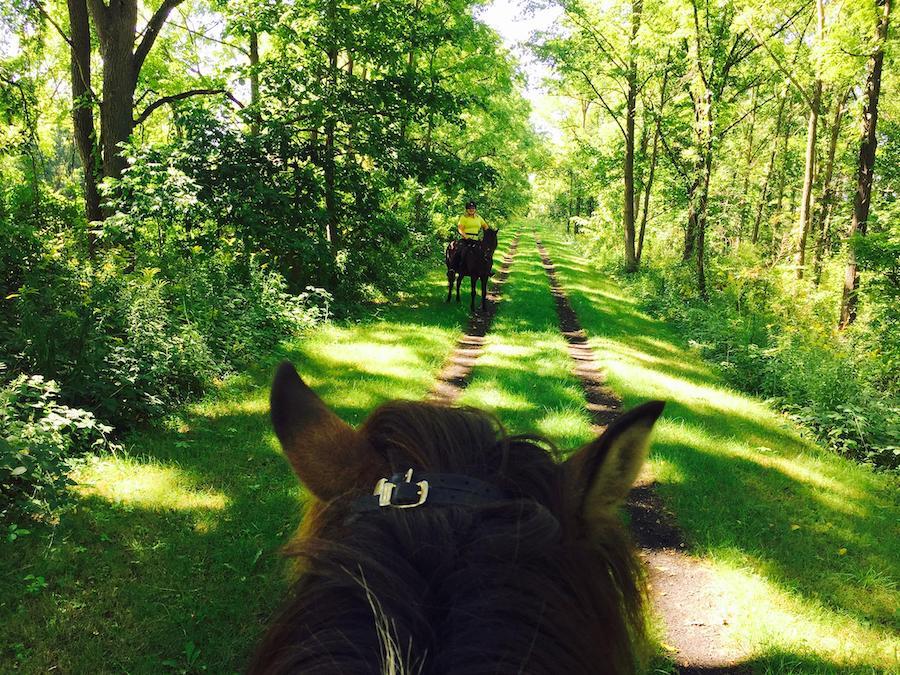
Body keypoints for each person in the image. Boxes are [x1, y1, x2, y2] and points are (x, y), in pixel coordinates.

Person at [449, 201, 491, 273]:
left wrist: (487, 235)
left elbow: (486, 227)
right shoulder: (463, 218)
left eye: (473, 208)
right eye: (469, 208)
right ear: (466, 209)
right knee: (459, 251)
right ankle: (453, 268)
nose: (471, 210)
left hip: (476, 239)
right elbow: (460, 229)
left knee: (485, 253)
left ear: (475, 209)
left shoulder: (479, 218)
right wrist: (466, 237)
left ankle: (486, 270)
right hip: (465, 239)